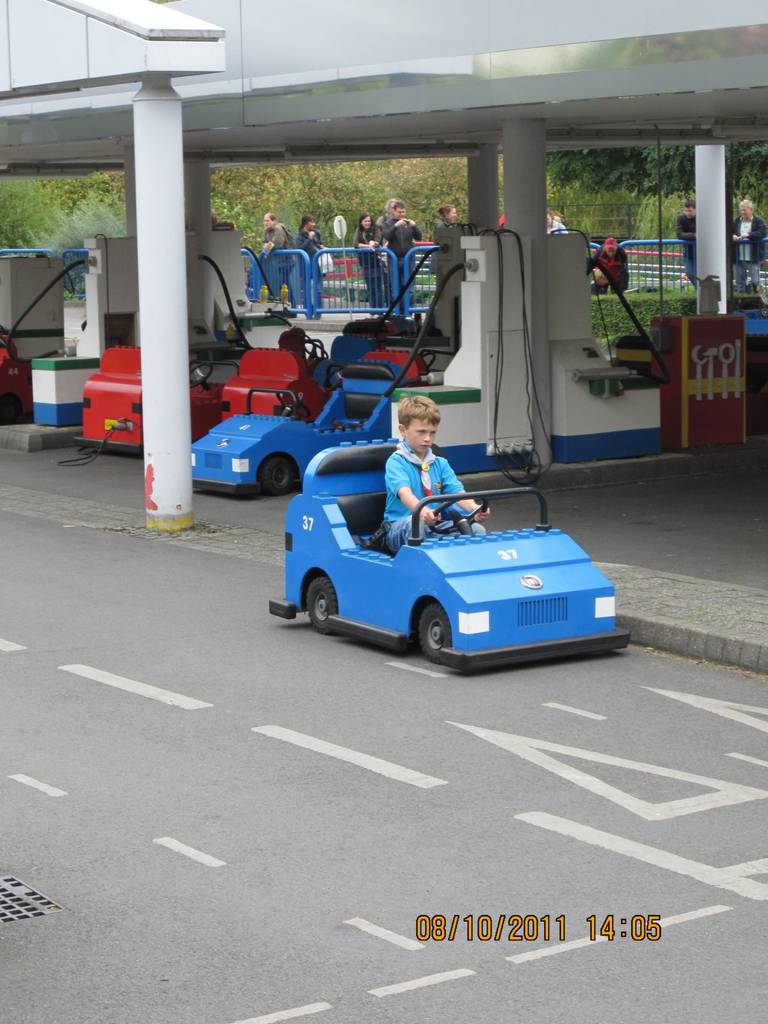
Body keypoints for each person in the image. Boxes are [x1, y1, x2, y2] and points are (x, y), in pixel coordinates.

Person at [374, 395, 490, 555]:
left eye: (432, 433)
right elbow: (405, 494)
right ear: (403, 430)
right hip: (399, 528)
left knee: (477, 530)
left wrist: (474, 508)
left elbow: (457, 493)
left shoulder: (440, 463)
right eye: (421, 432)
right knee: (416, 523)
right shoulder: (396, 462)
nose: (427, 438)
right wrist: (423, 512)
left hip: (434, 524)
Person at [381, 199, 422, 294]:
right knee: (396, 286)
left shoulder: (409, 223)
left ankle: (408, 307)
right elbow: (387, 236)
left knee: (409, 285)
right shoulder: (388, 223)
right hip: (394, 259)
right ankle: (398, 308)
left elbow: (419, 237)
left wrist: (414, 226)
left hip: (408, 258)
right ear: (393, 211)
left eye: (403, 212)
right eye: (399, 212)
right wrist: (395, 226)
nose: (402, 214)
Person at [732, 198, 767, 293]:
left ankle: (761, 300)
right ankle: (741, 301)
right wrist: (733, 236)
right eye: (741, 209)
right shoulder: (736, 221)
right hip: (738, 257)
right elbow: (727, 232)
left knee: (756, 281)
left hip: (753, 257)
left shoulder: (758, 221)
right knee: (739, 282)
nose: (742, 212)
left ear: (751, 210)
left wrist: (749, 234)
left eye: (745, 209)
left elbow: (763, 232)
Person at [262, 212, 297, 305]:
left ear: (274, 221)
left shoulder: (278, 229)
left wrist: (266, 248)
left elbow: (277, 243)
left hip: (287, 260)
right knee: (284, 284)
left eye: (267, 220)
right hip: (278, 261)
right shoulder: (266, 230)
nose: (265, 223)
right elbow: (264, 242)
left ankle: (291, 306)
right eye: (264, 221)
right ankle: (289, 305)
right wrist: (266, 247)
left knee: (284, 284)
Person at [353, 212, 387, 308]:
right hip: (365, 263)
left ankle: (380, 309)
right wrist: (367, 246)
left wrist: (373, 243)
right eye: (365, 221)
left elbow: (377, 240)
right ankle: (373, 309)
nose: (367, 223)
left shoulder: (376, 229)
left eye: (369, 221)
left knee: (378, 288)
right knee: (371, 288)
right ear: (361, 222)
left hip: (377, 261)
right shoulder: (359, 231)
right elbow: (355, 244)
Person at [676, 198, 697, 283]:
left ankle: (701, 291)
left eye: (690, 211)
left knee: (702, 273)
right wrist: (694, 235)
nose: (688, 213)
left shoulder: (702, 217)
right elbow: (679, 234)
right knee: (689, 273)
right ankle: (699, 290)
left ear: (696, 209)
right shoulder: (681, 218)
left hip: (701, 251)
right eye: (686, 211)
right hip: (688, 252)